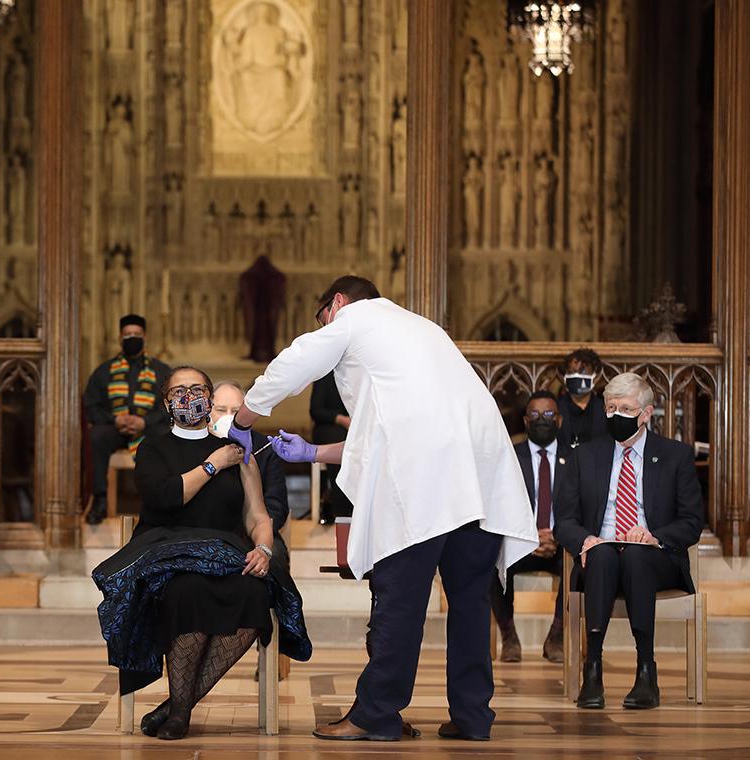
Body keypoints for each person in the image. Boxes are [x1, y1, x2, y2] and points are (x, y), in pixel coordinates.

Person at [226, 275, 537, 742]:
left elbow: (291, 365)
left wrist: (241, 420)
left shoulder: (354, 320)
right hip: (480, 481)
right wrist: (311, 453)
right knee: (471, 602)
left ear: (337, 302)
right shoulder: (424, 330)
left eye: (323, 317)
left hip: (425, 483)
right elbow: (388, 430)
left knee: (398, 597)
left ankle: (376, 715)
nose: (325, 326)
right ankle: (473, 718)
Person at [91, 367, 311, 740]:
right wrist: (212, 465)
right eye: (179, 391)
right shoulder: (153, 448)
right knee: (186, 592)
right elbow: (167, 497)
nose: (188, 398)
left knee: (254, 594)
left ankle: (180, 703)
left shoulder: (238, 452)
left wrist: (263, 546)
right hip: (168, 552)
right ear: (166, 402)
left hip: (225, 554)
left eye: (197, 390)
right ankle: (180, 713)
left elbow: (258, 514)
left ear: (209, 398)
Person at [554, 372, 703, 710]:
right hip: (600, 556)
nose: (615, 416)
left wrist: (654, 536)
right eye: (610, 408)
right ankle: (593, 671)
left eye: (625, 409)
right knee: (604, 554)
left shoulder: (675, 456)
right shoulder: (586, 456)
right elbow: (564, 520)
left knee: (636, 556)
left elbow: (692, 522)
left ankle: (646, 672)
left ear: (646, 414)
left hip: (655, 557)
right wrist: (586, 539)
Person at [491, 390, 569, 663]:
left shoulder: (575, 459)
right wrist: (528, 536)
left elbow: (581, 508)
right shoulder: (511, 456)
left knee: (585, 565)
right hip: (521, 542)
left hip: (561, 546)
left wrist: (557, 536)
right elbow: (501, 504)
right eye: (534, 415)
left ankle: (556, 636)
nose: (541, 420)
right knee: (492, 560)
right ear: (525, 420)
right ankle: (509, 635)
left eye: (548, 415)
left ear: (559, 420)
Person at [83, 314, 172, 525]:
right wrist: (114, 420)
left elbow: (169, 406)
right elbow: (91, 406)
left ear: (145, 337)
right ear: (119, 337)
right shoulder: (104, 372)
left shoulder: (161, 371)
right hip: (116, 430)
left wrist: (145, 422)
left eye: (137, 334)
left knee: (165, 435)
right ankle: (100, 500)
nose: (132, 338)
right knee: (96, 435)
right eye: (128, 334)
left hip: (149, 429)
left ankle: (161, 501)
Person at [209, 380, 289, 535]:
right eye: (221, 410)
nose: (229, 417)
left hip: (255, 533)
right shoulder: (199, 444)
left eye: (235, 411)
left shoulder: (265, 447)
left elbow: (277, 504)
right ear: (208, 411)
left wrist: (260, 533)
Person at [309, 371, 352, 523]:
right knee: (337, 442)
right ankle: (342, 511)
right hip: (330, 426)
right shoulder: (325, 374)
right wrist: (342, 420)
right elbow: (316, 411)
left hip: (357, 427)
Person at [557, 347, 607, 449]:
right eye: (571, 372)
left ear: (596, 377)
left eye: (582, 372)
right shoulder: (556, 408)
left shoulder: (605, 410)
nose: (576, 376)